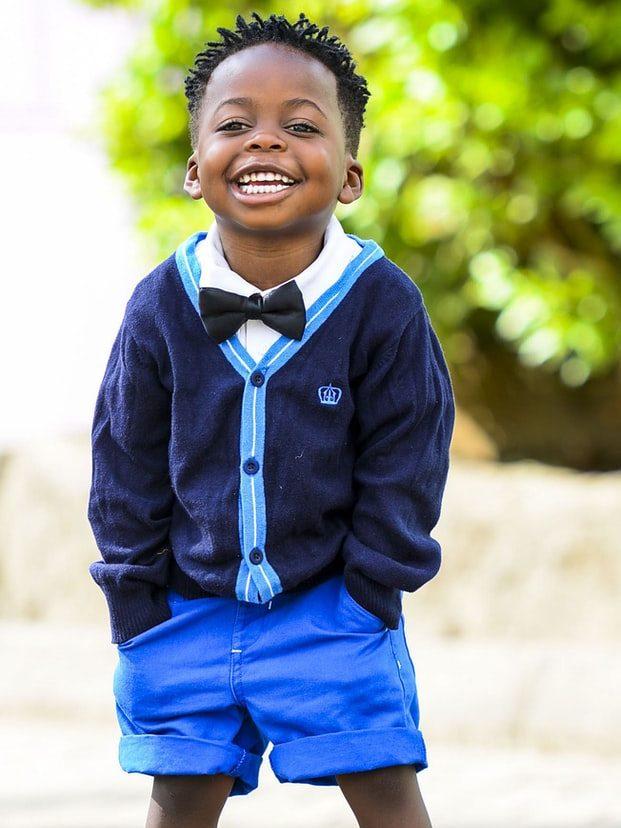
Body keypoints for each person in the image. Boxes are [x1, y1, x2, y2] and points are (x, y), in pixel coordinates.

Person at [87, 10, 455, 828]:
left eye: (300, 125)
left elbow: (408, 458)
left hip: (333, 611)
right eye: (234, 124)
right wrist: (138, 606)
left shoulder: (383, 305)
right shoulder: (158, 306)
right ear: (194, 168)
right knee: (181, 795)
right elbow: (122, 459)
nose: (264, 142)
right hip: (182, 612)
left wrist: (369, 593)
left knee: (385, 784)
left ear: (349, 175)